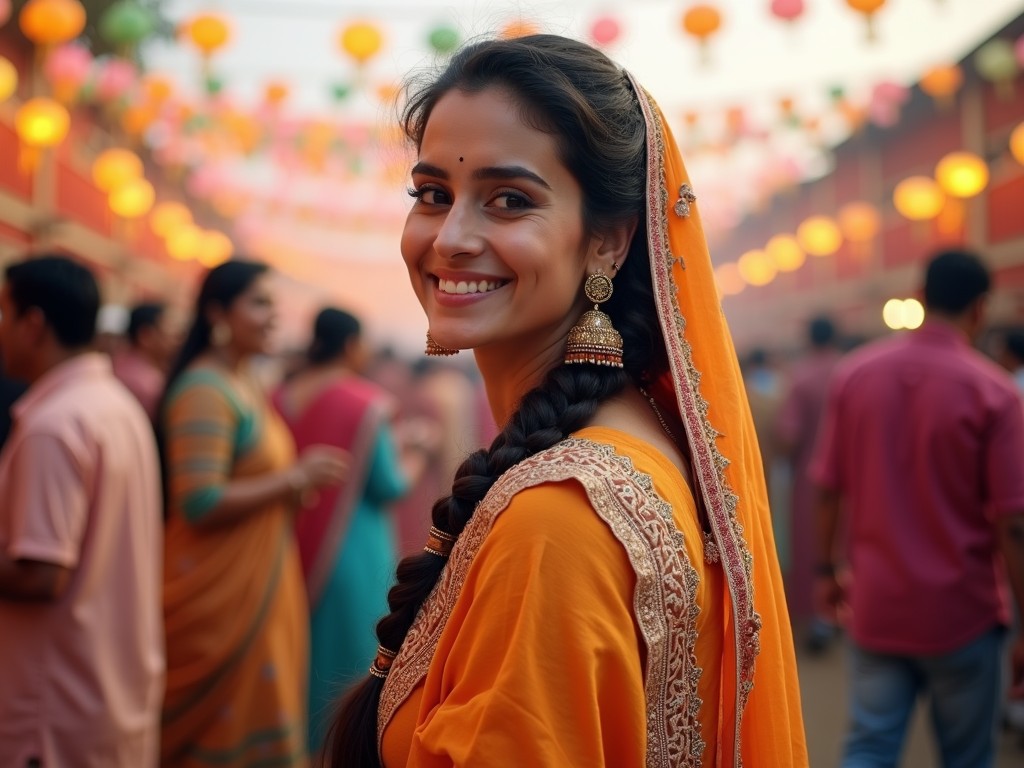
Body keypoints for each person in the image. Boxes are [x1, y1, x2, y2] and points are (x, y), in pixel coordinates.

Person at [326, 35, 808, 767]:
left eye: (509, 200)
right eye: (432, 194)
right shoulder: (630, 436)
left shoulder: (555, 520)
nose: (451, 237)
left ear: (608, 243)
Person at [812, 250, 1024, 767]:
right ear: (980, 310)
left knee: (869, 745)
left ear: (920, 296)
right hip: (964, 613)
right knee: (967, 759)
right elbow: (1013, 522)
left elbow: (826, 488)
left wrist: (825, 571)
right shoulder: (995, 393)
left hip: (878, 603)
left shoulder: (855, 376)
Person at [159, 261, 347, 766]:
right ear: (218, 312)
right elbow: (199, 502)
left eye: (274, 304)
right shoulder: (204, 390)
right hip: (212, 593)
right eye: (259, 302)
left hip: (256, 579)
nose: (273, 316)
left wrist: (290, 484)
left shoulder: (241, 383)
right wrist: (294, 479)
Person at [0, 255, 164, 766]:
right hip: (106, 689)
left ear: (33, 325)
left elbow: (41, 574)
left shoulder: (55, 424)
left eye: (2, 313)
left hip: (51, 704)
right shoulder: (112, 403)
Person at [273, 308, 435, 752]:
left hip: (286, 542)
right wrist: (418, 453)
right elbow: (389, 483)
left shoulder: (282, 394)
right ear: (350, 345)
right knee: (348, 661)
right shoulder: (365, 401)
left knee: (298, 653)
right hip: (351, 550)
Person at [776, 316, 844, 652]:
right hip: (853, 479)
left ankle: (819, 619)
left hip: (810, 480)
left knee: (812, 546)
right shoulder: (852, 372)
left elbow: (789, 437)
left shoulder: (799, 380)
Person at [113, 301, 177, 422]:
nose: (175, 341)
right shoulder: (149, 386)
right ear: (145, 336)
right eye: (169, 332)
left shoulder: (117, 362)